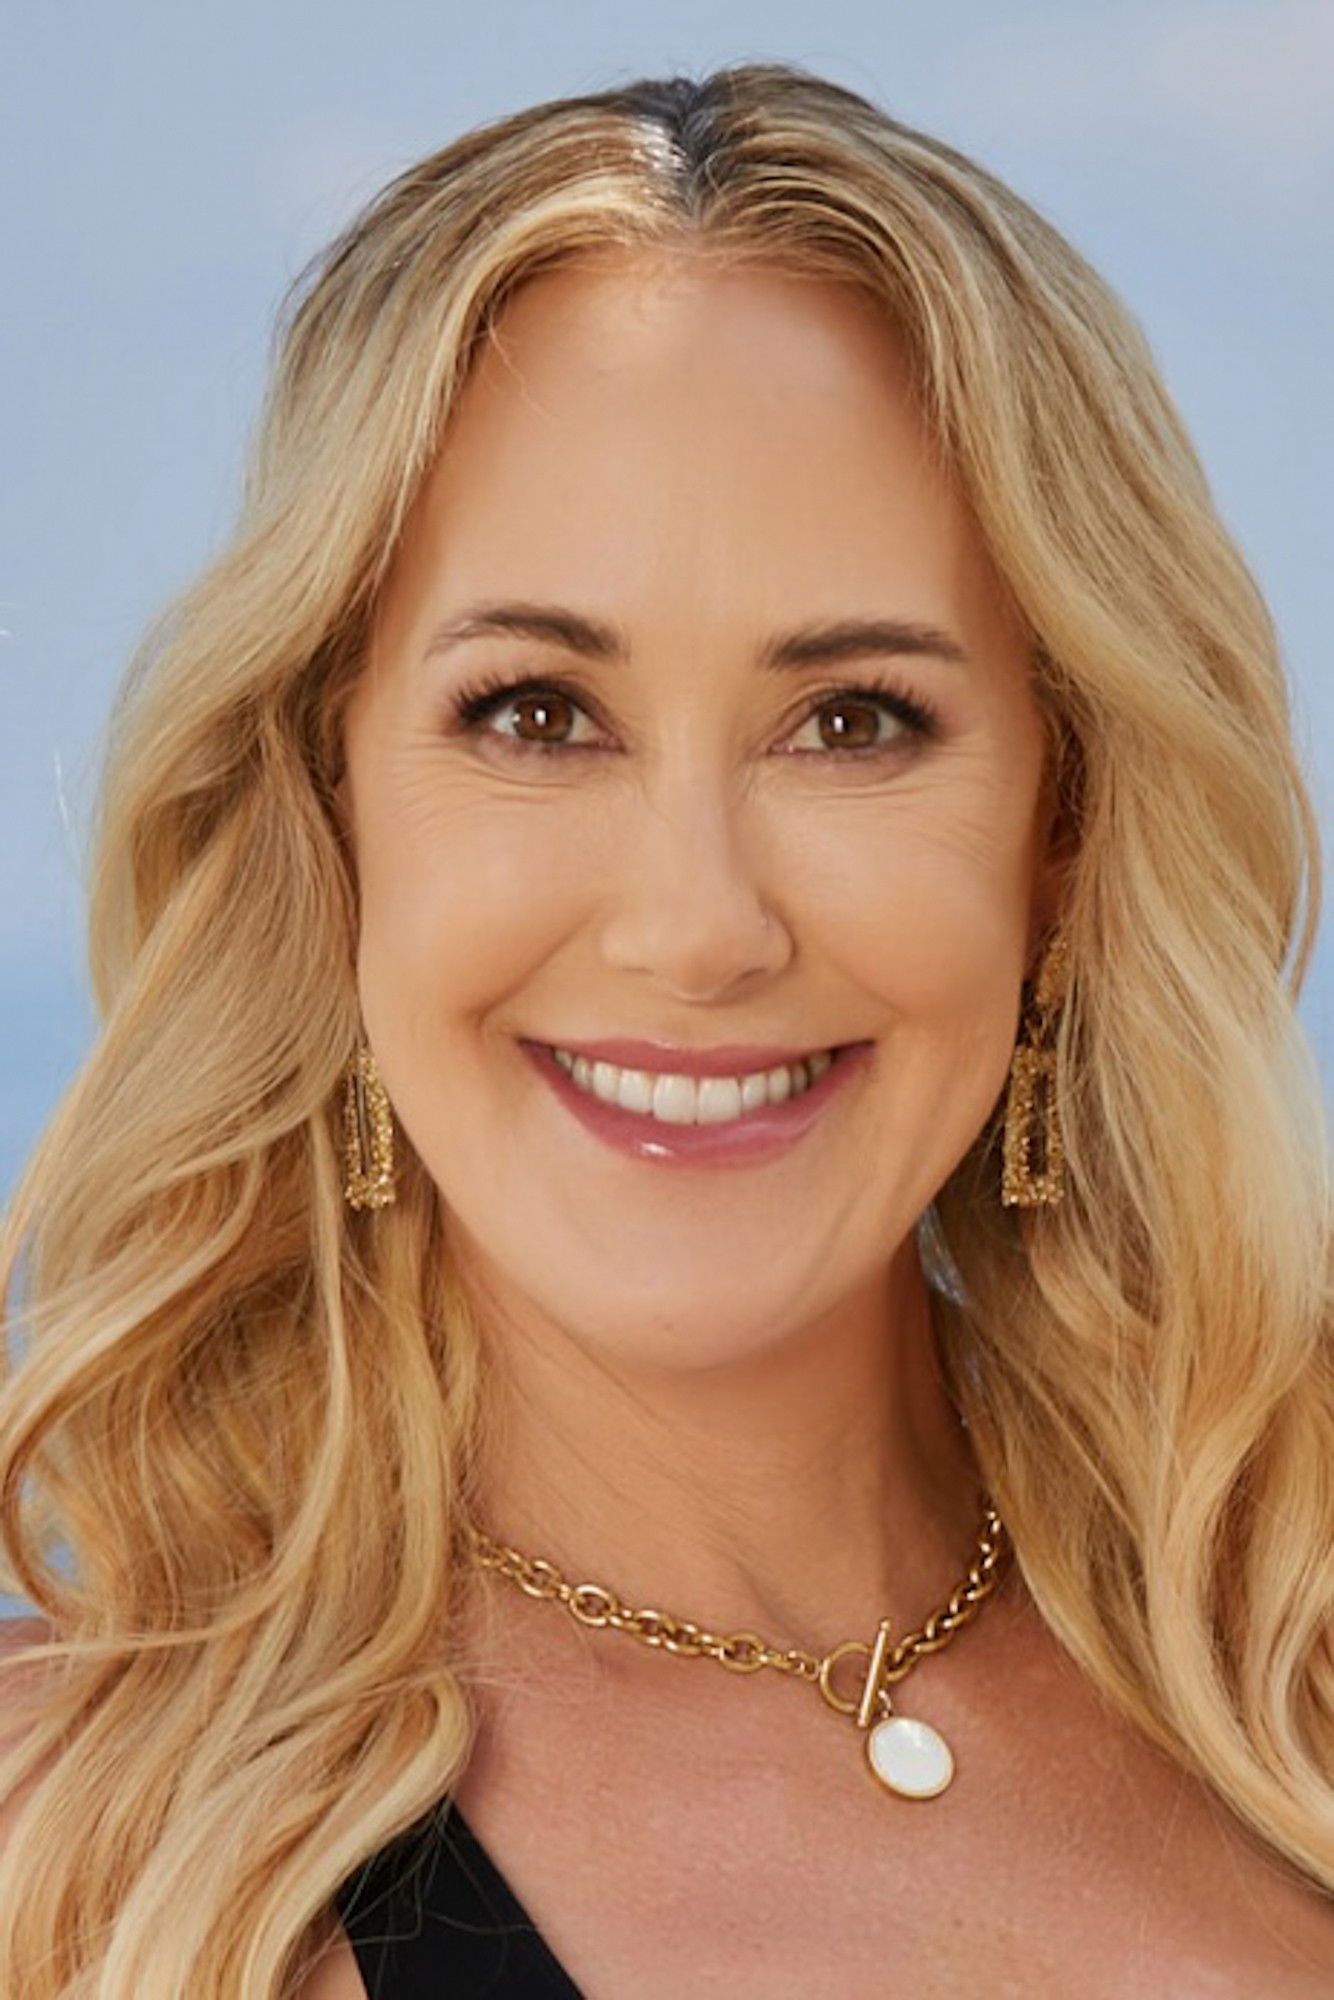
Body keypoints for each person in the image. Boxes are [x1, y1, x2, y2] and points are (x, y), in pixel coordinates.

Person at [0, 58, 1331, 1998]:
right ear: (331, 817)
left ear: (1061, 836)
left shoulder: (1292, 1699)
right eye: (536, 714)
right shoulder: (84, 1859)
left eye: (854, 721)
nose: (697, 927)